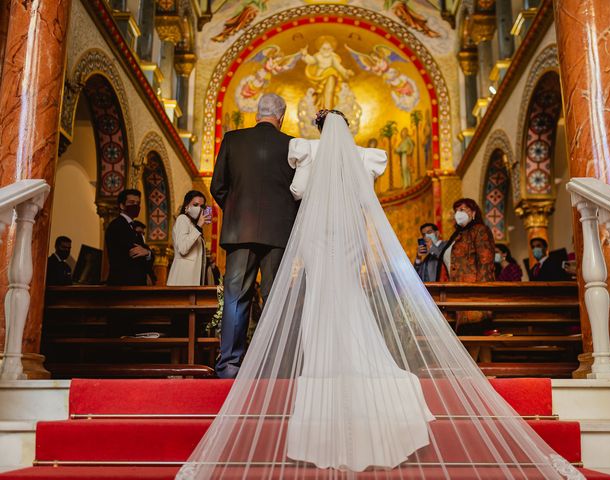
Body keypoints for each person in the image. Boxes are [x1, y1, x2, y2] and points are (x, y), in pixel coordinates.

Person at [178, 112, 582, 479]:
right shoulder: (363, 159)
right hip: (351, 238)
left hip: (318, 239)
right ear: (347, 130)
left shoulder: (306, 154)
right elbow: (365, 193)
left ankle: (314, 366)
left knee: (316, 297)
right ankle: (362, 360)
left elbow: (296, 192)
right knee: (351, 297)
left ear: (319, 130)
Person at [210, 93, 299, 379]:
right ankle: (273, 365)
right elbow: (299, 193)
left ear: (257, 113)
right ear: (281, 117)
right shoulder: (292, 145)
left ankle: (229, 365)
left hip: (239, 232)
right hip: (279, 233)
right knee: (275, 298)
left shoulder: (233, 140)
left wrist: (236, 212)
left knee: (236, 297)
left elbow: (218, 186)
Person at [439, 198, 495, 332]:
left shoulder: (480, 230)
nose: (458, 213)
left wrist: (482, 294)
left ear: (473, 212)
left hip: (473, 293)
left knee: (473, 335)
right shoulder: (457, 235)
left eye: (462, 210)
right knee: (466, 338)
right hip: (456, 292)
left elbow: (485, 262)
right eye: (456, 210)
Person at [105, 189, 154, 286]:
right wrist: (146, 252)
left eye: (138, 203)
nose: (136, 205)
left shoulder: (134, 226)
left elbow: (144, 250)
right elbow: (133, 251)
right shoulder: (117, 225)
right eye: (131, 202)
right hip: (123, 284)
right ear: (122, 205)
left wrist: (147, 253)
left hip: (136, 283)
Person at [167, 191, 210, 286]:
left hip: (193, 279)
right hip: (182, 279)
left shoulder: (193, 226)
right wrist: (198, 226)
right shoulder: (182, 219)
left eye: (202, 206)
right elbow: (183, 248)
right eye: (195, 204)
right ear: (186, 206)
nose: (199, 208)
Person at [131, 220, 157, 285]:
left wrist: (148, 253)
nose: (141, 236)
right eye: (139, 233)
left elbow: (151, 259)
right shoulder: (129, 244)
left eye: (143, 234)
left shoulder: (145, 246)